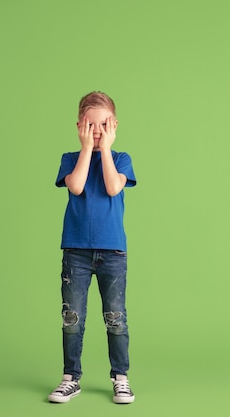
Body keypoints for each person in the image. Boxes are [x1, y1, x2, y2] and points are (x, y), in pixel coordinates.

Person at [48, 91, 137, 404]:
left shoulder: (122, 159)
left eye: (103, 124)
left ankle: (121, 377)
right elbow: (77, 185)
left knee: (116, 316)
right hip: (76, 252)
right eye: (90, 124)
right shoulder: (71, 159)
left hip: (112, 253)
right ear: (79, 125)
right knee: (72, 317)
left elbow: (113, 187)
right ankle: (70, 377)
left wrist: (106, 150)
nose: (97, 130)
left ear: (114, 126)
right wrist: (87, 149)